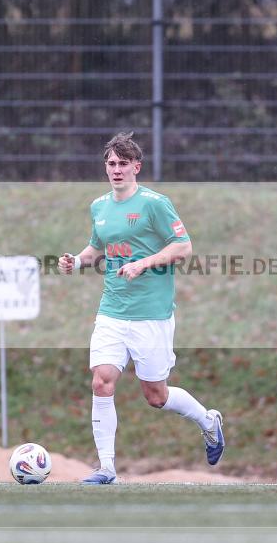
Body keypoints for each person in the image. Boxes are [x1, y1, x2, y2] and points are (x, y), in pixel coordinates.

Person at [58, 132, 224, 485]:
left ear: (137, 166)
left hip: (152, 313)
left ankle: (207, 421)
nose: (116, 170)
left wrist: (144, 263)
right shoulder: (99, 207)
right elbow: (95, 249)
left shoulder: (155, 204)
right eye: (111, 164)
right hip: (112, 311)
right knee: (101, 382)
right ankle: (106, 469)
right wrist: (77, 260)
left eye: (123, 164)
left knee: (156, 395)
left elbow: (183, 247)